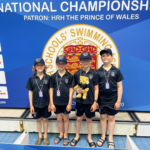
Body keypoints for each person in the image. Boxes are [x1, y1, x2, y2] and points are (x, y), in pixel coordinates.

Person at [96, 48, 124, 148]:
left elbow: (120, 86)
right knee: (103, 117)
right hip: (102, 99)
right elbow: (96, 88)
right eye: (103, 56)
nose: (105, 57)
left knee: (111, 117)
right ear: (101, 58)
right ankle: (103, 136)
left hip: (113, 99)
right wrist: (96, 101)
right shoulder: (98, 72)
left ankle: (110, 138)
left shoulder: (116, 71)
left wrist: (118, 101)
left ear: (111, 57)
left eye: (107, 55)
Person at [70, 52, 99, 148]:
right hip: (79, 101)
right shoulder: (77, 73)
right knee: (78, 119)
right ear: (80, 62)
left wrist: (95, 102)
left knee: (89, 120)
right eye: (83, 60)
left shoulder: (94, 73)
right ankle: (77, 136)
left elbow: (96, 88)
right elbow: (73, 86)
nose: (85, 62)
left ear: (90, 61)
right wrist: (76, 89)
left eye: (87, 60)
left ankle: (89, 137)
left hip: (90, 101)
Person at [26, 58, 51, 145]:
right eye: (38, 65)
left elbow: (50, 91)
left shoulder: (48, 77)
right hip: (36, 104)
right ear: (35, 67)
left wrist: (50, 103)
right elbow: (30, 92)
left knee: (45, 119)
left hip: (46, 104)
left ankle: (45, 136)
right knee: (38, 120)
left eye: (41, 65)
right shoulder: (31, 78)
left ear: (44, 67)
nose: (40, 67)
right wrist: (31, 105)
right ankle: (40, 135)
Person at [50, 55, 74, 146]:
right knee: (59, 119)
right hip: (56, 102)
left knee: (66, 119)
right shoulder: (53, 76)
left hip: (66, 102)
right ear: (56, 64)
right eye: (59, 63)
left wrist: (69, 103)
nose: (61, 65)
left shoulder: (69, 75)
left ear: (66, 64)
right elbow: (51, 89)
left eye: (63, 63)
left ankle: (66, 134)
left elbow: (71, 89)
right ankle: (60, 134)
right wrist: (51, 103)